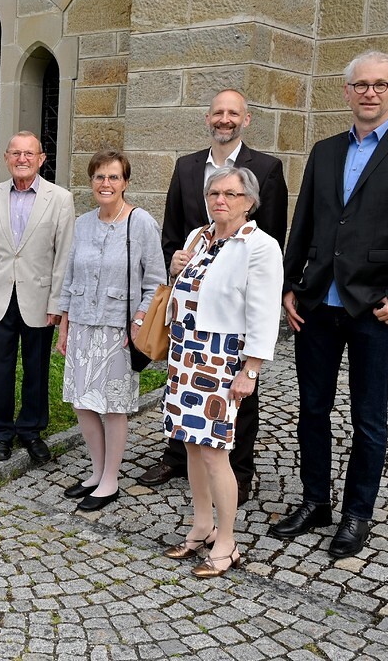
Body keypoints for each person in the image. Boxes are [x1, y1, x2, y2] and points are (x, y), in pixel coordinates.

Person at [271, 51, 388, 559]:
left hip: (375, 305)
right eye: (361, 85)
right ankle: (315, 502)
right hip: (316, 304)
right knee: (312, 410)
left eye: (380, 85)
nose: (370, 92)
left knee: (369, 417)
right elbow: (304, 222)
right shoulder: (325, 150)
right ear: (347, 91)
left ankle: (357, 514)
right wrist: (289, 285)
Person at [137, 89, 288, 506]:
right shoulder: (187, 166)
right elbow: (172, 229)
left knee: (240, 399)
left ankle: (238, 471)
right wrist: (174, 259)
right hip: (191, 304)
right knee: (181, 393)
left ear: (246, 119)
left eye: (233, 113)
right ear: (207, 118)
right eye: (218, 112)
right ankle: (177, 459)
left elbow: (272, 235)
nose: (225, 119)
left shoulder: (267, 169)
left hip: (231, 315)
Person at [162, 166, 283, 578]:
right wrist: (175, 268)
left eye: (230, 194)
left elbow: (264, 311)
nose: (220, 200)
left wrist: (252, 369)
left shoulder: (260, 246)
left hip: (222, 357)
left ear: (249, 202)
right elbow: (186, 290)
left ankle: (227, 542)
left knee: (215, 451)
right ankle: (202, 526)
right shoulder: (198, 237)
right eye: (214, 192)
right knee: (191, 445)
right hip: (184, 354)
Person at [56, 150, 164, 512]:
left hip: (120, 329)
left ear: (125, 182)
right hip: (82, 325)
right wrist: (64, 326)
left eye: (114, 177)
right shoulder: (83, 223)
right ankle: (96, 471)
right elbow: (70, 276)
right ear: (91, 182)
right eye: (100, 177)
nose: (106, 183)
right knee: (82, 402)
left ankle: (111, 480)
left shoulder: (140, 222)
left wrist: (139, 321)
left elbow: (156, 281)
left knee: (114, 406)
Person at [0, 131, 75, 463]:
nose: (22, 159)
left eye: (29, 153)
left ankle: (30, 430)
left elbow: (64, 256)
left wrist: (57, 304)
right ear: (6, 158)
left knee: (36, 368)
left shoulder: (60, 199)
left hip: (39, 298)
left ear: (41, 159)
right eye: (16, 153)